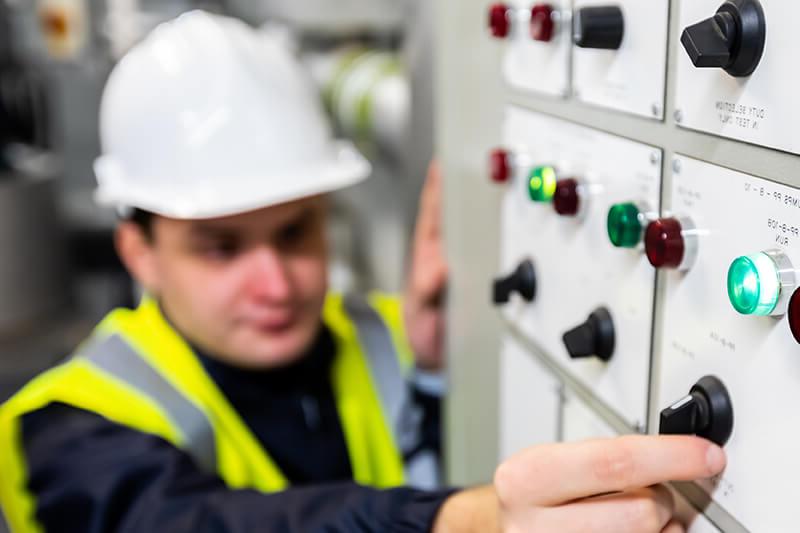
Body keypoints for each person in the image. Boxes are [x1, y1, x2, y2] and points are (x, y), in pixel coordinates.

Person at [0, 11, 726, 533]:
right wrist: (467, 521)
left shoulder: (388, 330)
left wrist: (445, 367)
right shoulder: (68, 428)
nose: (277, 283)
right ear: (138, 253)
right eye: (221, 248)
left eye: (294, 231)